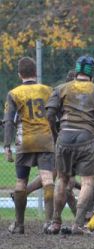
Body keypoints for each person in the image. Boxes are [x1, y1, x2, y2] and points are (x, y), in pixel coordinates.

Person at [45, 55, 94, 234]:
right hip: (86, 140)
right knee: (87, 182)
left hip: (64, 138)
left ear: (76, 71)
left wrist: (56, 134)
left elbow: (49, 114)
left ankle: (55, 222)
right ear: (92, 73)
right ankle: (78, 225)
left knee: (62, 179)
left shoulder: (61, 88)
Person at [2, 57, 54, 233]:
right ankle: (49, 223)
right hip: (46, 139)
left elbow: (8, 121)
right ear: (35, 73)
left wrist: (7, 145)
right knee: (48, 179)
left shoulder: (14, 93)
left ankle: (19, 224)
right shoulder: (48, 90)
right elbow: (55, 115)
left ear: (19, 74)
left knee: (20, 182)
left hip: (25, 141)